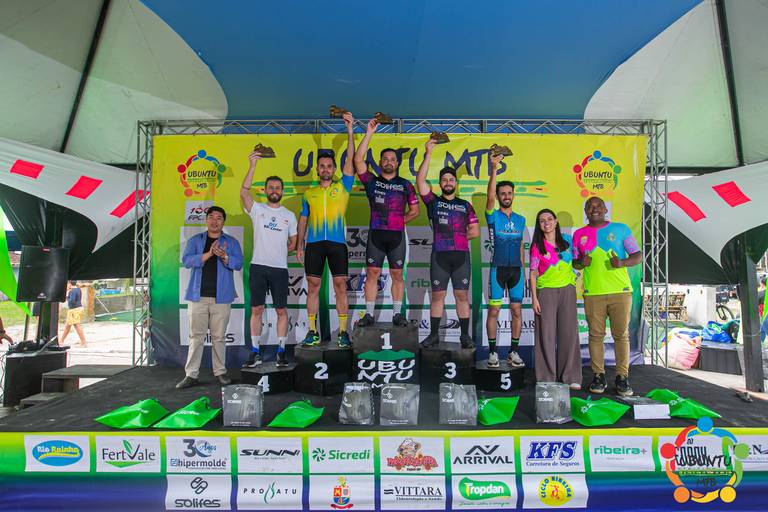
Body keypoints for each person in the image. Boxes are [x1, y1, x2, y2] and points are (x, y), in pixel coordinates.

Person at [296, 112, 356, 347]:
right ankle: (312, 332)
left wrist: (349, 131)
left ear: (334, 169)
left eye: (329, 166)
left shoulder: (344, 186)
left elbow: (350, 159)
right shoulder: (309, 193)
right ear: (317, 169)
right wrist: (299, 245)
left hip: (337, 244)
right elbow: (303, 220)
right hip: (314, 245)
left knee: (340, 286)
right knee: (313, 287)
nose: (325, 169)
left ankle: (343, 332)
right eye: (322, 166)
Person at [353, 116, 419, 327]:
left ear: (397, 163)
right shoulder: (372, 181)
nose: (389, 161)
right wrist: (369, 133)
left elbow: (415, 211)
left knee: (397, 274)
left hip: (396, 236)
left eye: (392, 159)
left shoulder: (406, 185)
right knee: (372, 273)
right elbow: (357, 161)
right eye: (385, 159)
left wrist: (398, 221)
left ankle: (397, 314)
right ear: (380, 162)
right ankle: (369, 314)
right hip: (376, 234)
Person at [572, 197, 642, 396]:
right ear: (585, 211)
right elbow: (575, 263)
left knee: (621, 335)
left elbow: (637, 255)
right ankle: (598, 376)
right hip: (593, 293)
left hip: (621, 292)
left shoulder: (621, 229)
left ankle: (622, 377)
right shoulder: (578, 234)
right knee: (595, 336)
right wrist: (581, 262)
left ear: (605, 209)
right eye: (589, 207)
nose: (594, 209)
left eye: (597, 206)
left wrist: (623, 263)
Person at [416, 136, 479, 349]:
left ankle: (464, 336)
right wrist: (428, 153)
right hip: (439, 257)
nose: (448, 182)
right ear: (440, 183)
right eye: (444, 180)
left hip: (461, 257)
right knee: (438, 296)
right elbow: (420, 182)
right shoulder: (433, 202)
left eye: (451, 179)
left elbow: (475, 231)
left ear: (456, 183)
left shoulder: (465, 205)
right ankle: (434, 335)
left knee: (462, 296)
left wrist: (455, 238)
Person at [241, 152, 298, 368]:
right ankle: (255, 351)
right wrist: (252, 166)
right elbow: (244, 192)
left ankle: (281, 351)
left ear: (282, 191)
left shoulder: (289, 216)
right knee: (257, 309)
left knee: (281, 311)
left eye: (278, 187)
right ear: (265, 190)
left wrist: (282, 250)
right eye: (271, 187)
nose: (274, 190)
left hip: (279, 269)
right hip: (258, 267)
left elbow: (293, 242)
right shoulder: (257, 210)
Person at [176, 206, 243, 389]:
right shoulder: (195, 240)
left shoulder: (231, 242)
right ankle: (191, 375)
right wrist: (209, 254)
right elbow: (187, 261)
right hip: (197, 297)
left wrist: (224, 256)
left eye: (219, 218)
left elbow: (238, 264)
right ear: (206, 220)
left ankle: (220, 372)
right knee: (195, 337)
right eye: (211, 217)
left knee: (219, 337)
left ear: (223, 222)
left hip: (222, 298)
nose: (215, 221)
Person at [530, 209, 581, 388]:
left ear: (556, 221)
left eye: (549, 219)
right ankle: (546, 378)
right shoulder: (537, 246)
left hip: (567, 290)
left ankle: (570, 377)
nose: (546, 223)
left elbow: (577, 262)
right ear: (539, 225)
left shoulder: (568, 240)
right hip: (545, 293)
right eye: (542, 221)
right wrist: (534, 298)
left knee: (569, 333)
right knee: (546, 335)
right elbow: (533, 273)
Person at [485, 152, 526, 368]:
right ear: (499, 196)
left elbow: (520, 246)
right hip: (497, 270)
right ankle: (493, 353)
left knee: (517, 311)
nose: (506, 196)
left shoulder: (521, 219)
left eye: (509, 193)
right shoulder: (493, 215)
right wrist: (494, 169)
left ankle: (513, 352)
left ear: (513, 195)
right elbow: (489, 198)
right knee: (494, 311)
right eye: (503, 193)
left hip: (516, 271)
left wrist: (524, 272)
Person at [60, 281, 86, 346]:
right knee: (68, 326)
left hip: (74, 309)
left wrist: (67, 296)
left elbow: (72, 301)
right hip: (77, 308)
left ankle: (83, 342)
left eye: (66, 284)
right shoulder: (78, 289)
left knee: (76, 325)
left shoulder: (72, 290)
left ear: (70, 284)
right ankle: (61, 340)